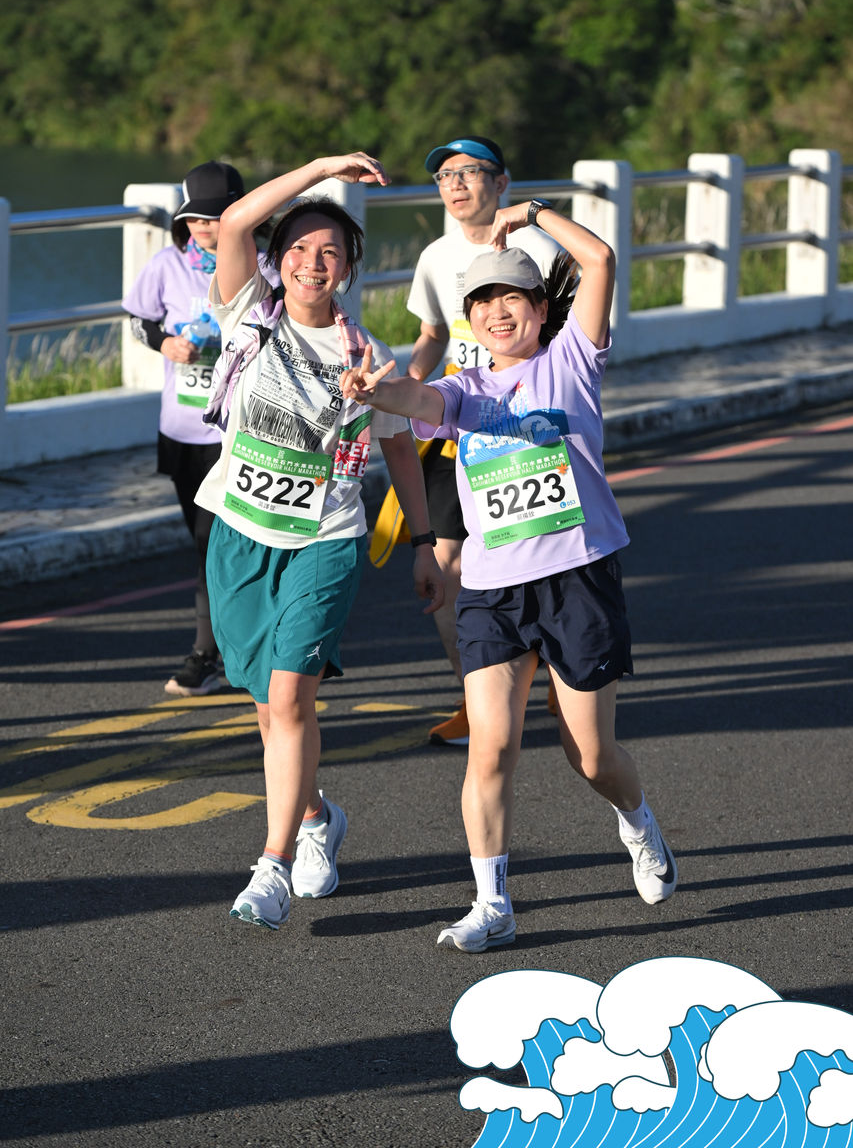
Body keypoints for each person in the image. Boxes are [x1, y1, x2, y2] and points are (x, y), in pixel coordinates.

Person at [341, 199, 677, 952]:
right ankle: (491, 903)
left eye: (513, 298)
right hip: (492, 589)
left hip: (578, 579)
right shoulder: (466, 390)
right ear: (469, 318)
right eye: (483, 301)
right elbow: (418, 398)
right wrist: (373, 393)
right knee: (490, 747)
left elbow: (598, 259)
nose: (498, 312)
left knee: (591, 756)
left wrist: (531, 214)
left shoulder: (572, 361)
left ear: (539, 309)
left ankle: (636, 821)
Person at [194, 151, 444, 932]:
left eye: (329, 251)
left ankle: (270, 867)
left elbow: (399, 449)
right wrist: (324, 168)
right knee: (266, 707)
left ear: (348, 269)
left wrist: (423, 543)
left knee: (290, 698)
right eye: (298, 248)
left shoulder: (367, 357)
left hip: (324, 539)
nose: (312, 262)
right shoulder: (247, 314)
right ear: (276, 260)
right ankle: (313, 818)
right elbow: (234, 220)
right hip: (239, 533)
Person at [401, 136, 563, 746]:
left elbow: (576, 332)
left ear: (501, 183)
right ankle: (475, 698)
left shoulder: (541, 249)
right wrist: (407, 387)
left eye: (470, 172)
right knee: (444, 570)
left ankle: (561, 665)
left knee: (545, 558)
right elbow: (433, 333)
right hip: (460, 428)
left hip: (529, 430)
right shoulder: (436, 255)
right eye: (445, 175)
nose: (457, 184)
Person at [124, 160, 249, 697]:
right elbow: (138, 320)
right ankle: (224, 648)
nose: (203, 227)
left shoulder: (265, 267)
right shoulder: (167, 265)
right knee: (203, 547)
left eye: (215, 217)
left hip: (237, 435)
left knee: (212, 542)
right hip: (181, 429)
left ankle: (208, 653)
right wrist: (164, 343)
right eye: (195, 217)